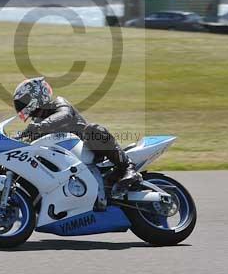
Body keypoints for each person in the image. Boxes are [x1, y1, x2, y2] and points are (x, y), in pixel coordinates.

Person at [12, 76, 140, 192]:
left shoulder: (58, 103)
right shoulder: (37, 123)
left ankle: (127, 167)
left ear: (36, 95)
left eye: (23, 101)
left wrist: (39, 127)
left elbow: (64, 115)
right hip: (67, 163)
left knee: (93, 129)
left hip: (90, 153)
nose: (20, 106)